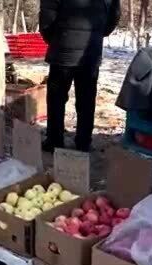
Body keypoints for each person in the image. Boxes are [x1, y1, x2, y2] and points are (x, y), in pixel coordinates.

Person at [39, 0, 121, 153]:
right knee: (86, 100)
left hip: (62, 54)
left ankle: (54, 140)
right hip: (90, 52)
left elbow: (46, 20)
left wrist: (56, 39)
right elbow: (114, 16)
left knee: (56, 100)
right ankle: (83, 142)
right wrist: (97, 33)